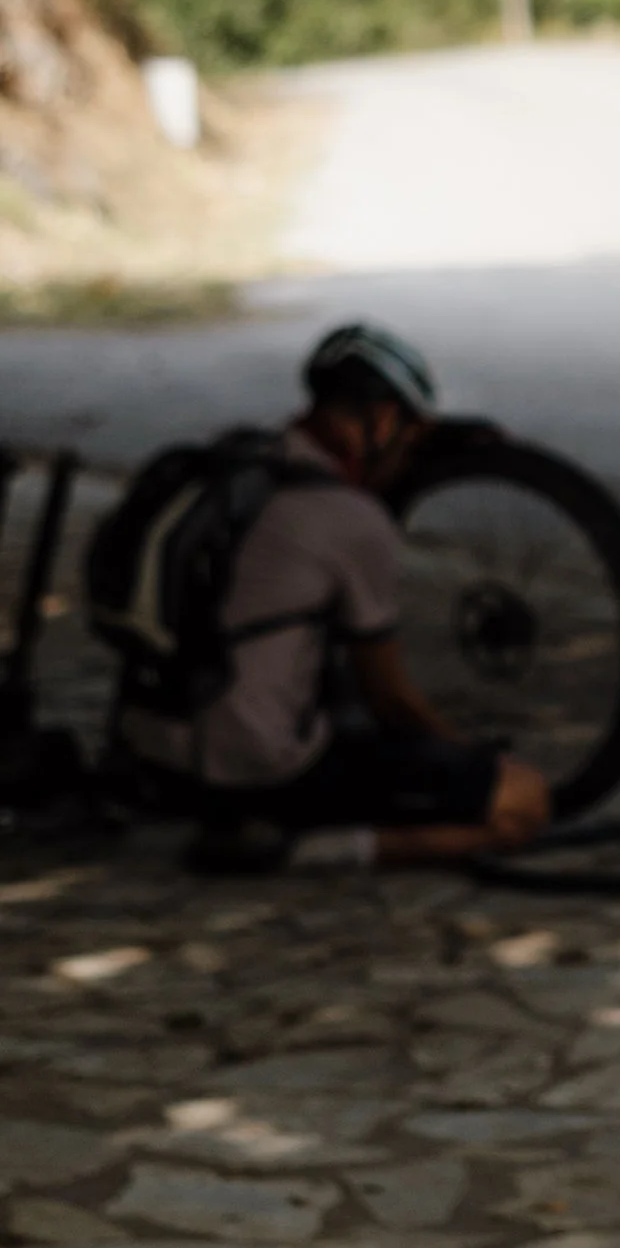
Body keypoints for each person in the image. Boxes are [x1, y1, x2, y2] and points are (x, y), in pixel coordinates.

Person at [113, 322, 550, 870]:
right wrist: (467, 756)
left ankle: (268, 823)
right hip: (257, 770)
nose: (408, 450)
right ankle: (297, 849)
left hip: (151, 752)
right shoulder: (348, 519)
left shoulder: (242, 464)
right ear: (382, 417)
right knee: (523, 802)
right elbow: (390, 700)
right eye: (409, 434)